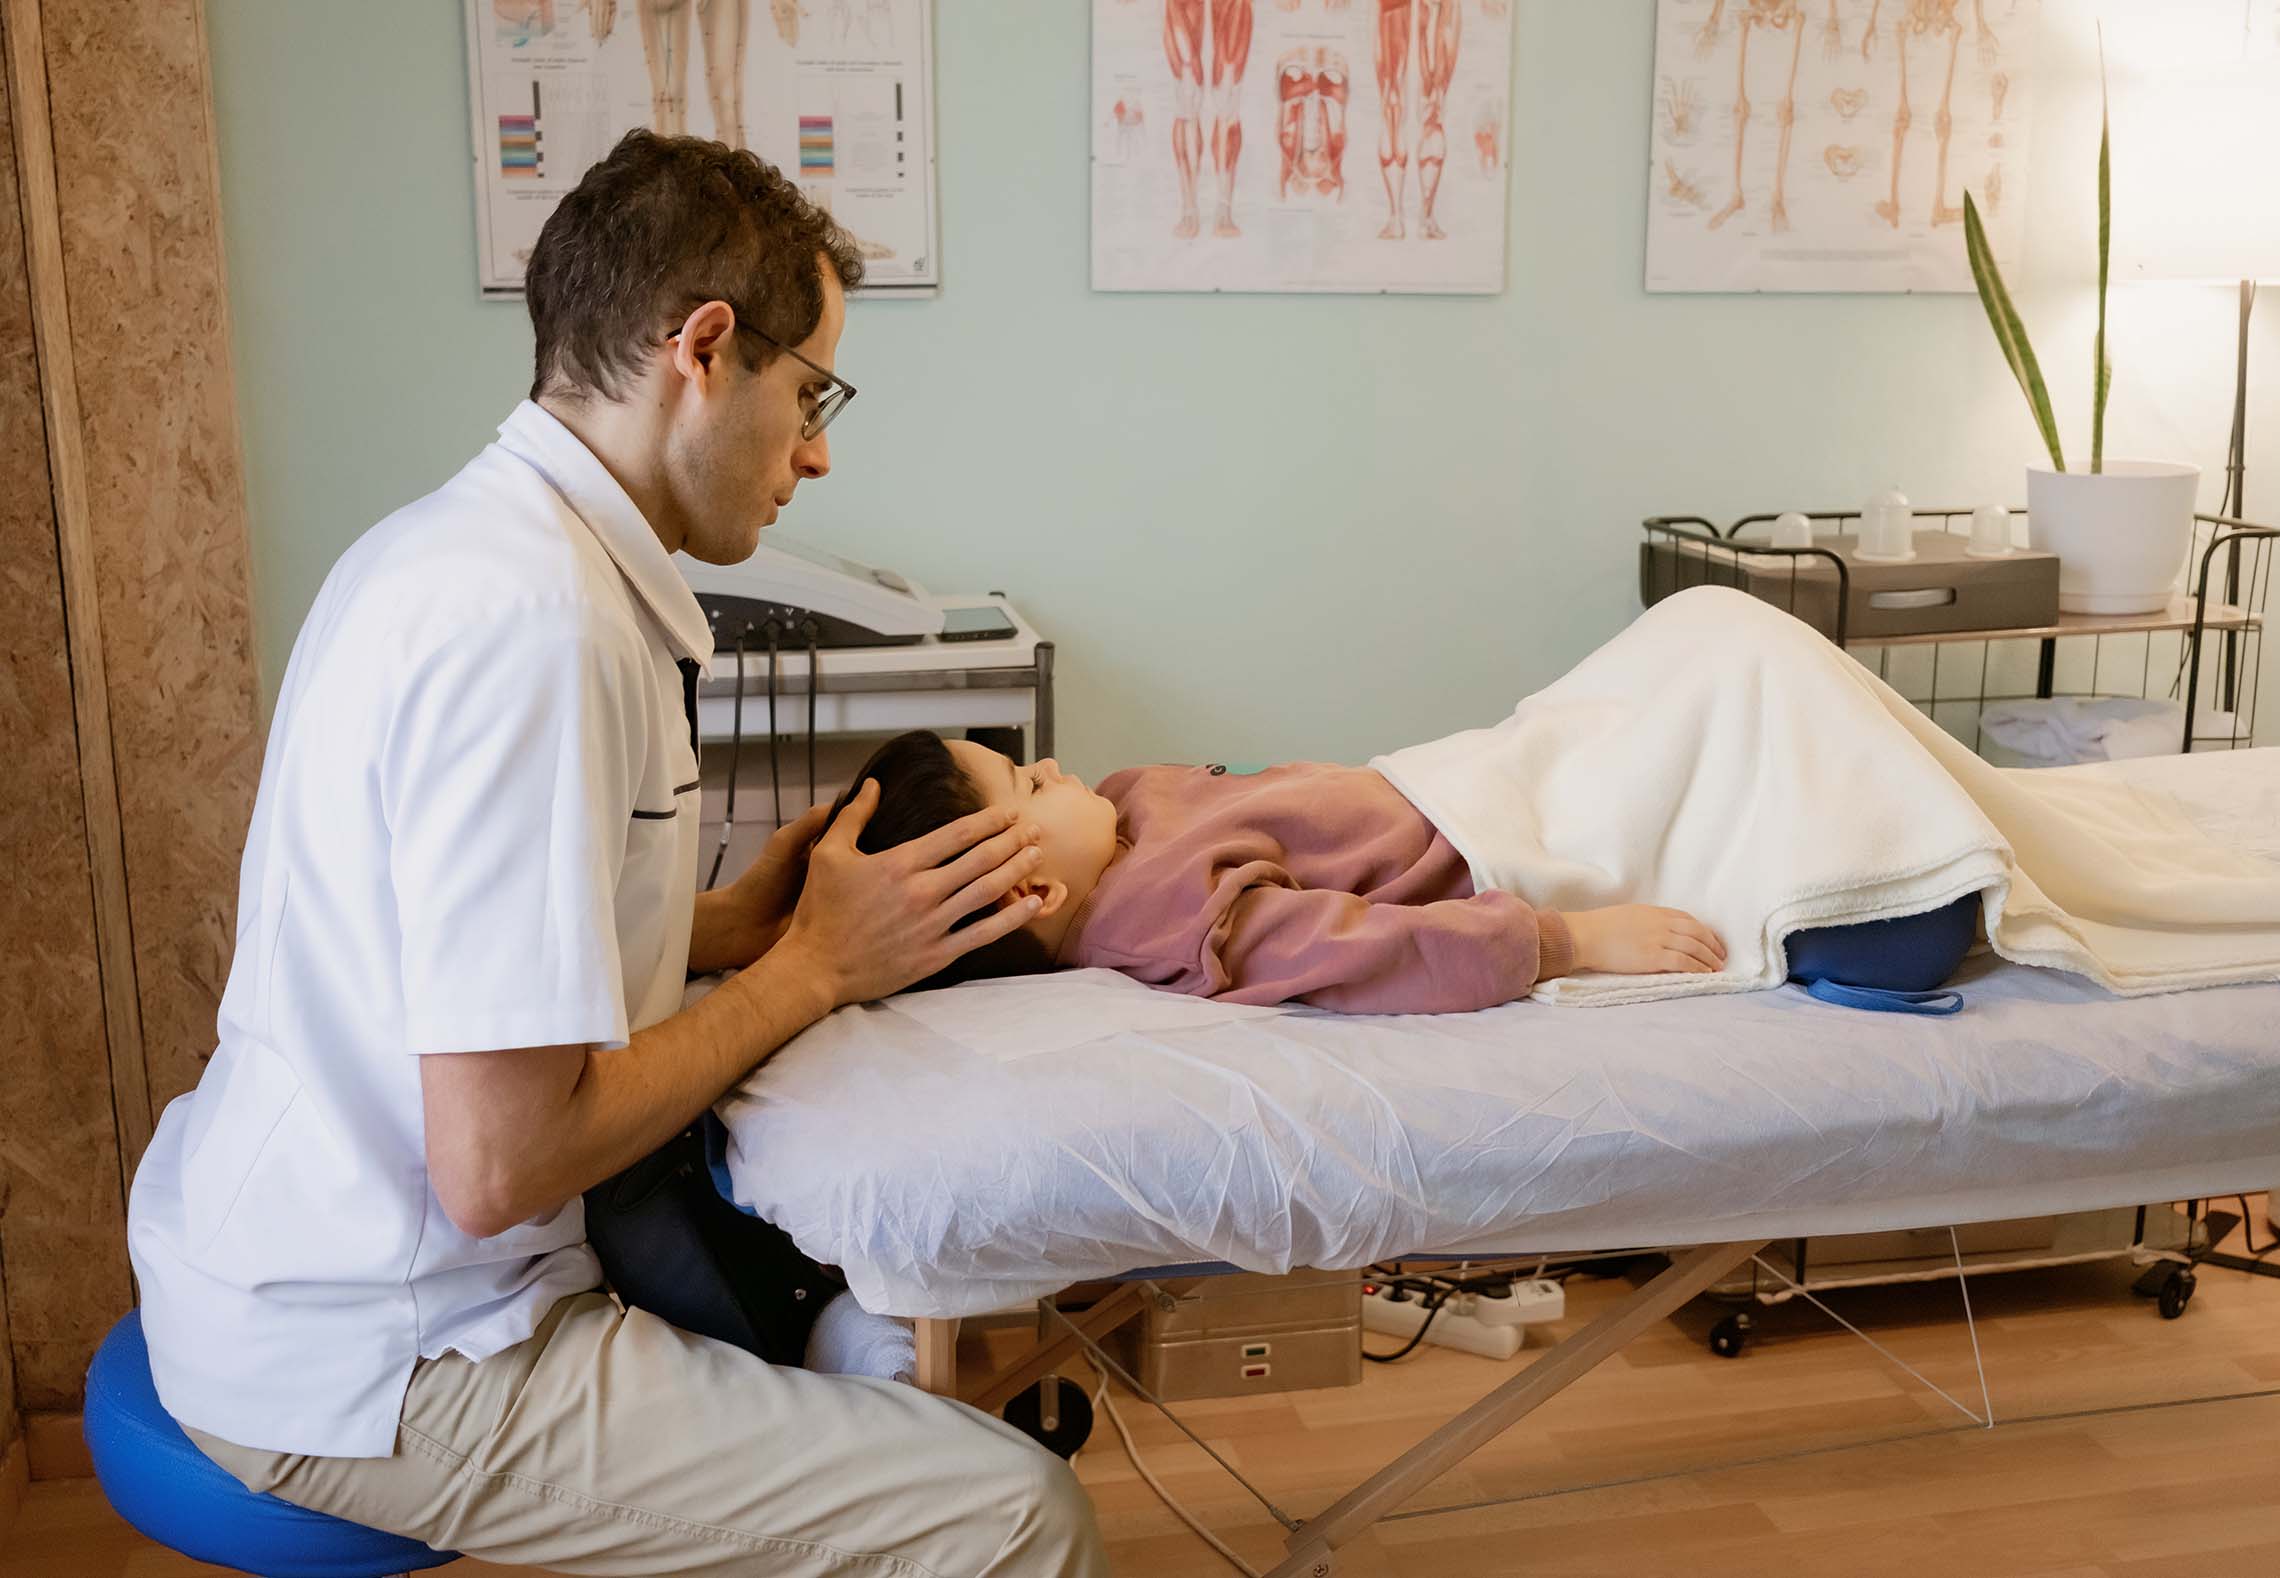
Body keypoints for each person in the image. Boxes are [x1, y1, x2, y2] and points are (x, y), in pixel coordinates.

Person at [124, 130, 1109, 1576]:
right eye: (810, 392)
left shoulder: (455, 548)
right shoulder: (537, 630)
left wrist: (730, 925)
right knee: (1016, 1515)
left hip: (270, 1250)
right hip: (396, 1349)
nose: (818, 451)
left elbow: (441, 947)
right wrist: (811, 971)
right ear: (703, 349)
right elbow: (499, 1164)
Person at [838, 729, 1729, 1015]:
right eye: (1030, 784)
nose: (1051, 768)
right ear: (1031, 893)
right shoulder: (1163, 919)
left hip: (1469, 775)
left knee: (1701, 642)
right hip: (1492, 839)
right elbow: (1362, 950)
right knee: (1723, 659)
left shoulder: (1119, 817)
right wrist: (1566, 941)